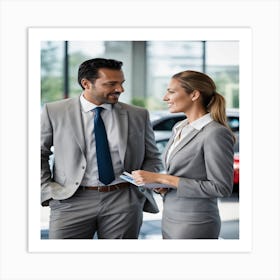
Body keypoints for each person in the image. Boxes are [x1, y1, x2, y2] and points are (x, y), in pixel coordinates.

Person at [41, 58, 162, 239]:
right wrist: (48, 190)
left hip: (123, 200)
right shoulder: (55, 111)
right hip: (71, 200)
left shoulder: (138, 114)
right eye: (111, 84)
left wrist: (145, 182)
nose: (120, 89)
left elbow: (153, 156)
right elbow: (38, 153)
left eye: (121, 83)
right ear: (86, 84)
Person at [132, 70, 234, 239]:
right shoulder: (180, 127)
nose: (165, 98)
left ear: (194, 94)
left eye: (171, 92)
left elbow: (221, 187)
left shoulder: (215, 133)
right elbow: (183, 175)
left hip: (195, 223)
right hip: (171, 217)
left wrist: (163, 179)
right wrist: (164, 185)